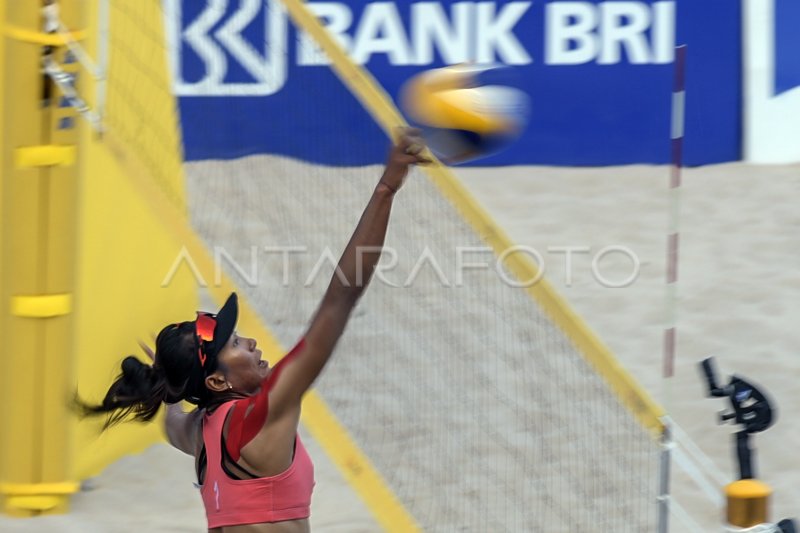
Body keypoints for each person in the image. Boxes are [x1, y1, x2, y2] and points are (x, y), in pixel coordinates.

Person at [80, 130, 430, 532]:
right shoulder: (258, 414)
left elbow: (171, 415)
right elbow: (340, 300)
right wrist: (386, 188)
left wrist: (166, 379)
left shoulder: (199, 432)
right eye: (232, 345)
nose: (249, 342)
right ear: (214, 378)